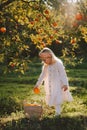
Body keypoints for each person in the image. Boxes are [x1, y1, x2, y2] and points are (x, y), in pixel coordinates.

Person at [34, 47, 73, 116]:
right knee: (52, 97)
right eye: (42, 59)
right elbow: (42, 75)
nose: (44, 61)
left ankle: (58, 113)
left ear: (50, 56)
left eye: (45, 59)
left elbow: (63, 74)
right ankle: (53, 110)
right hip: (49, 85)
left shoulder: (58, 63)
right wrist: (37, 84)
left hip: (57, 84)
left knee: (57, 98)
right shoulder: (45, 66)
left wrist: (65, 84)